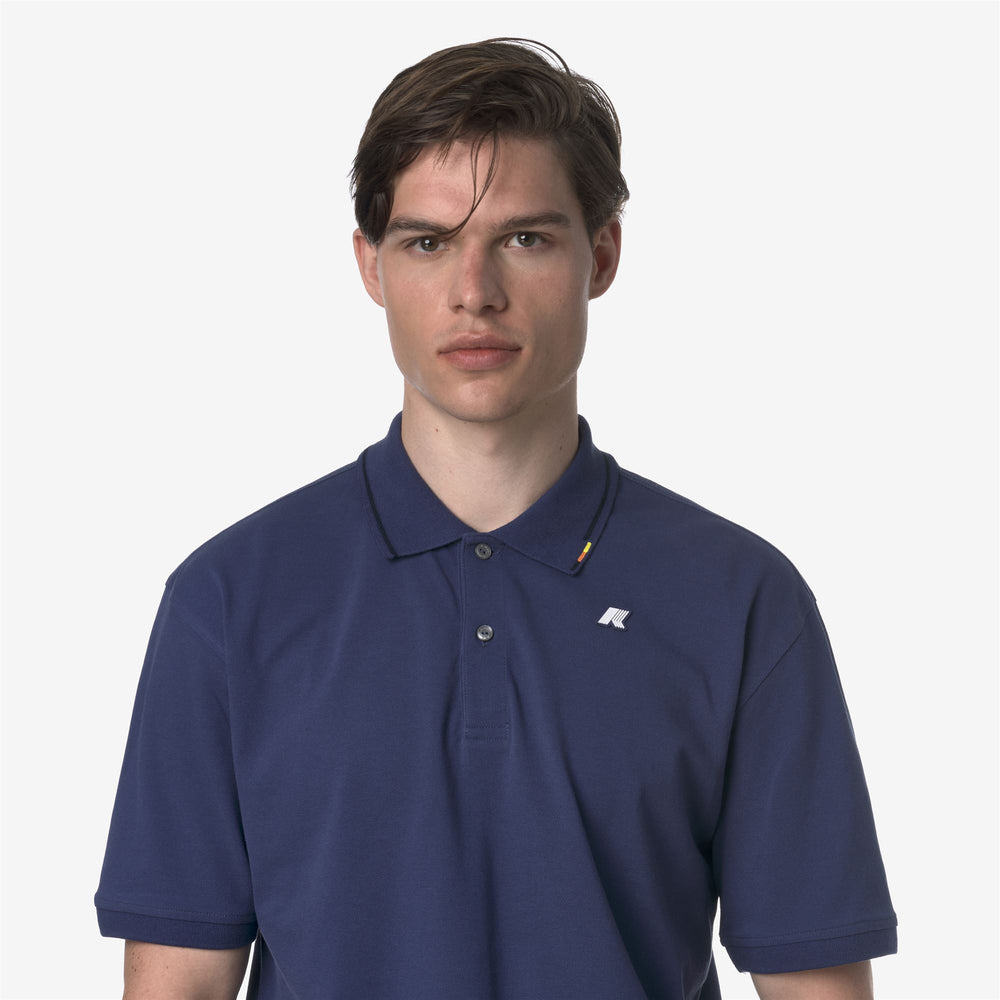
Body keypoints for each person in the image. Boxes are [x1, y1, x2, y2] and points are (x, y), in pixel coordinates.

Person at [95, 38, 897, 1000]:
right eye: (428, 242)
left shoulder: (740, 601)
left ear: (602, 254)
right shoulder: (229, 601)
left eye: (525, 238)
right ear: (371, 266)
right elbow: (177, 982)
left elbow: (816, 985)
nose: (474, 292)